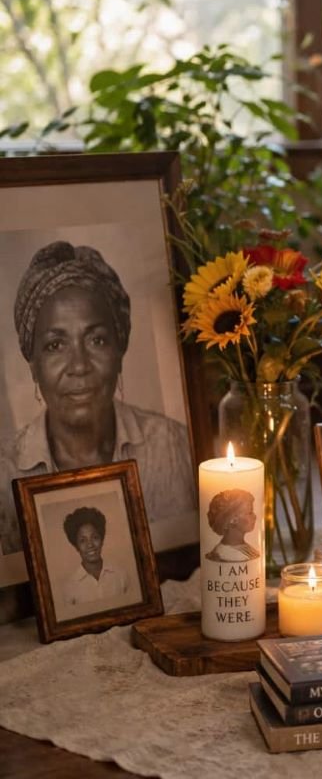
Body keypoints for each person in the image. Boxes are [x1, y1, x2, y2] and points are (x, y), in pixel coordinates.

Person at [0, 241, 196, 556]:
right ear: (33, 365)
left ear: (120, 351)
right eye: (55, 345)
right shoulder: (5, 471)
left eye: (96, 340)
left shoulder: (176, 446)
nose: (79, 366)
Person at [61, 506, 130, 609]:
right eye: (83, 540)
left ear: (102, 540)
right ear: (76, 546)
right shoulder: (70, 587)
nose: (90, 545)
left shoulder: (120, 575)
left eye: (95, 537)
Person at [203, 488, 260, 562]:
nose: (255, 516)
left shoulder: (248, 549)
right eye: (250, 512)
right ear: (232, 520)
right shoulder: (223, 554)